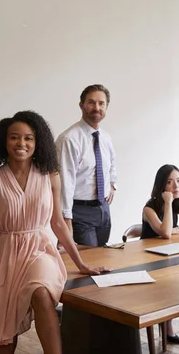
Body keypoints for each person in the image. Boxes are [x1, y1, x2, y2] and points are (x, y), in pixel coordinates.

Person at [0, 111, 108, 354]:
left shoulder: (50, 177)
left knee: (40, 291)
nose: (21, 144)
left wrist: (80, 262)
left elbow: (58, 223)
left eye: (28, 138)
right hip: (6, 258)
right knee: (5, 341)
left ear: (38, 143)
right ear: (3, 142)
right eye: (14, 137)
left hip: (40, 250)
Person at [56, 84, 117, 247]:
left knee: (102, 258)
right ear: (81, 105)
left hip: (103, 210)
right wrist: (66, 220)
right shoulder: (69, 139)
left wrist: (112, 184)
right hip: (79, 212)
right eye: (91, 102)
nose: (96, 107)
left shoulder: (105, 137)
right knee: (86, 264)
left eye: (101, 103)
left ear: (106, 106)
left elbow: (112, 163)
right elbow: (64, 184)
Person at [140, 164, 179, 343]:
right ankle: (167, 328)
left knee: (174, 285)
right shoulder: (149, 208)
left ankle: (168, 328)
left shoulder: (177, 204)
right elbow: (166, 232)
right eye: (170, 182)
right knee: (166, 288)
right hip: (148, 259)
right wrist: (168, 203)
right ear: (161, 186)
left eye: (178, 181)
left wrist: (177, 228)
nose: (176, 186)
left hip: (168, 255)